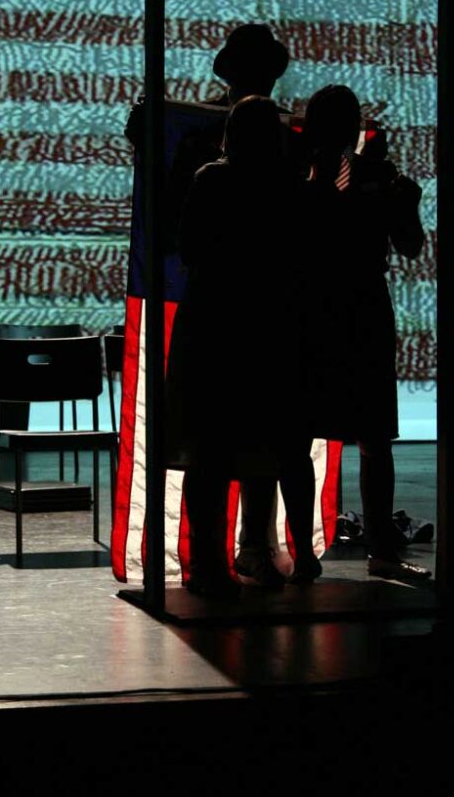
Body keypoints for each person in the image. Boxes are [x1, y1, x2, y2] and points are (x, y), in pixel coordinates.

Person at [165, 96, 314, 597]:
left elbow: (187, 248)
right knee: (262, 445)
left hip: (213, 325)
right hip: (269, 329)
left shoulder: (212, 179)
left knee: (208, 452)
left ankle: (207, 562)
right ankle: (256, 551)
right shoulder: (290, 186)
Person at [301, 84, 431, 583]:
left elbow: (410, 242)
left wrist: (406, 203)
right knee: (337, 435)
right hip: (334, 308)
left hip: (341, 309)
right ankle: (330, 547)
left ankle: (369, 547)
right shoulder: (301, 179)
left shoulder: (378, 178)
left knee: (369, 434)